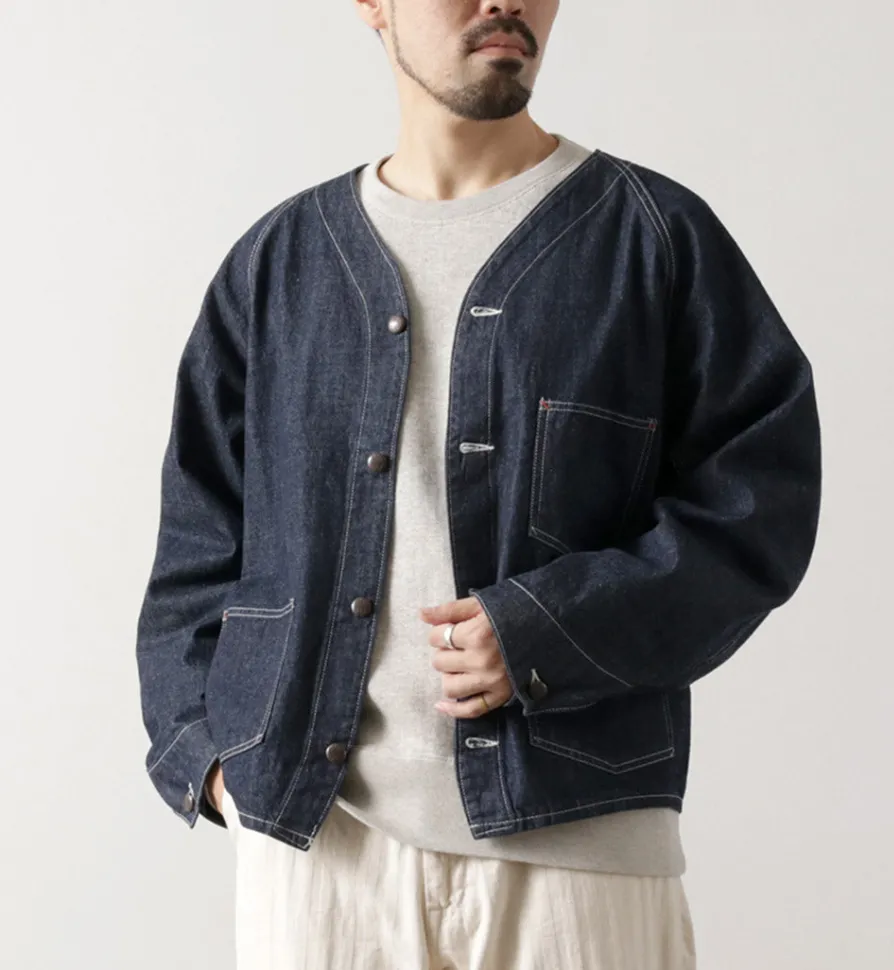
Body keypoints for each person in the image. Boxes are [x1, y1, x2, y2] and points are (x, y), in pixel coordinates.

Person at [135, 1, 822, 967]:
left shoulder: (653, 237)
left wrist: (548, 631)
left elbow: (759, 509)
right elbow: (198, 538)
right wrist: (208, 755)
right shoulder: (278, 263)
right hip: (321, 854)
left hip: (578, 847)